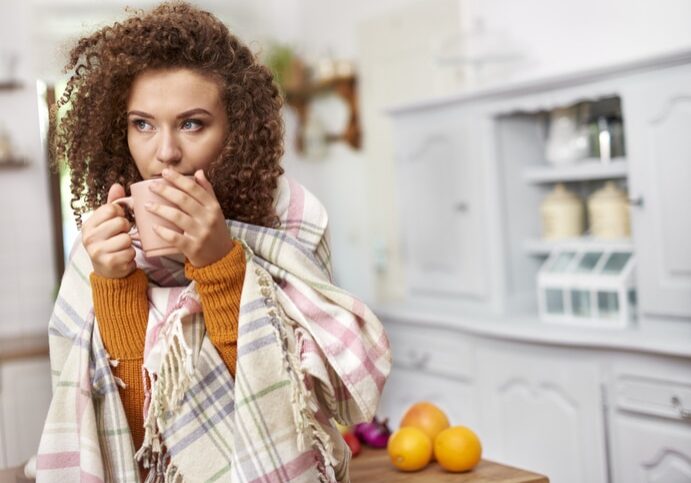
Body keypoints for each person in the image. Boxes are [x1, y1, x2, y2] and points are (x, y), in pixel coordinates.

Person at [36, 2, 391, 482]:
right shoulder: (100, 245)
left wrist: (221, 265)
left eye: (192, 123)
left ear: (235, 132)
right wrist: (115, 283)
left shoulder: (294, 223)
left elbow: (290, 416)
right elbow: (133, 443)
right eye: (142, 123)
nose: (165, 153)